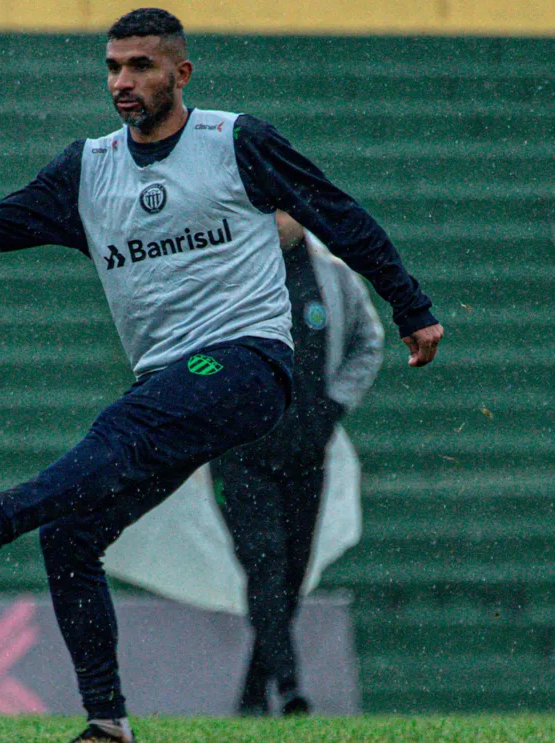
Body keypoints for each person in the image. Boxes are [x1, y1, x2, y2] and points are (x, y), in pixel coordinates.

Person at [0, 9, 443, 741]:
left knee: (124, 425)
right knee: (72, 539)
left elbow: (336, 211)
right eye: (113, 67)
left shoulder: (235, 141)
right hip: (172, 388)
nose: (123, 82)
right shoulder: (87, 169)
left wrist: (410, 305)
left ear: (181, 73)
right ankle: (107, 721)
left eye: (141, 67)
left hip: (249, 364)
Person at [211, 212, 384, 716]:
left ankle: (252, 696)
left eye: (285, 206)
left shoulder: (333, 275)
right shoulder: (231, 271)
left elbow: (368, 344)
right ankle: (288, 685)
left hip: (307, 453)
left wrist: (333, 405)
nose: (277, 217)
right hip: (241, 454)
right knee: (263, 560)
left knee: (291, 572)